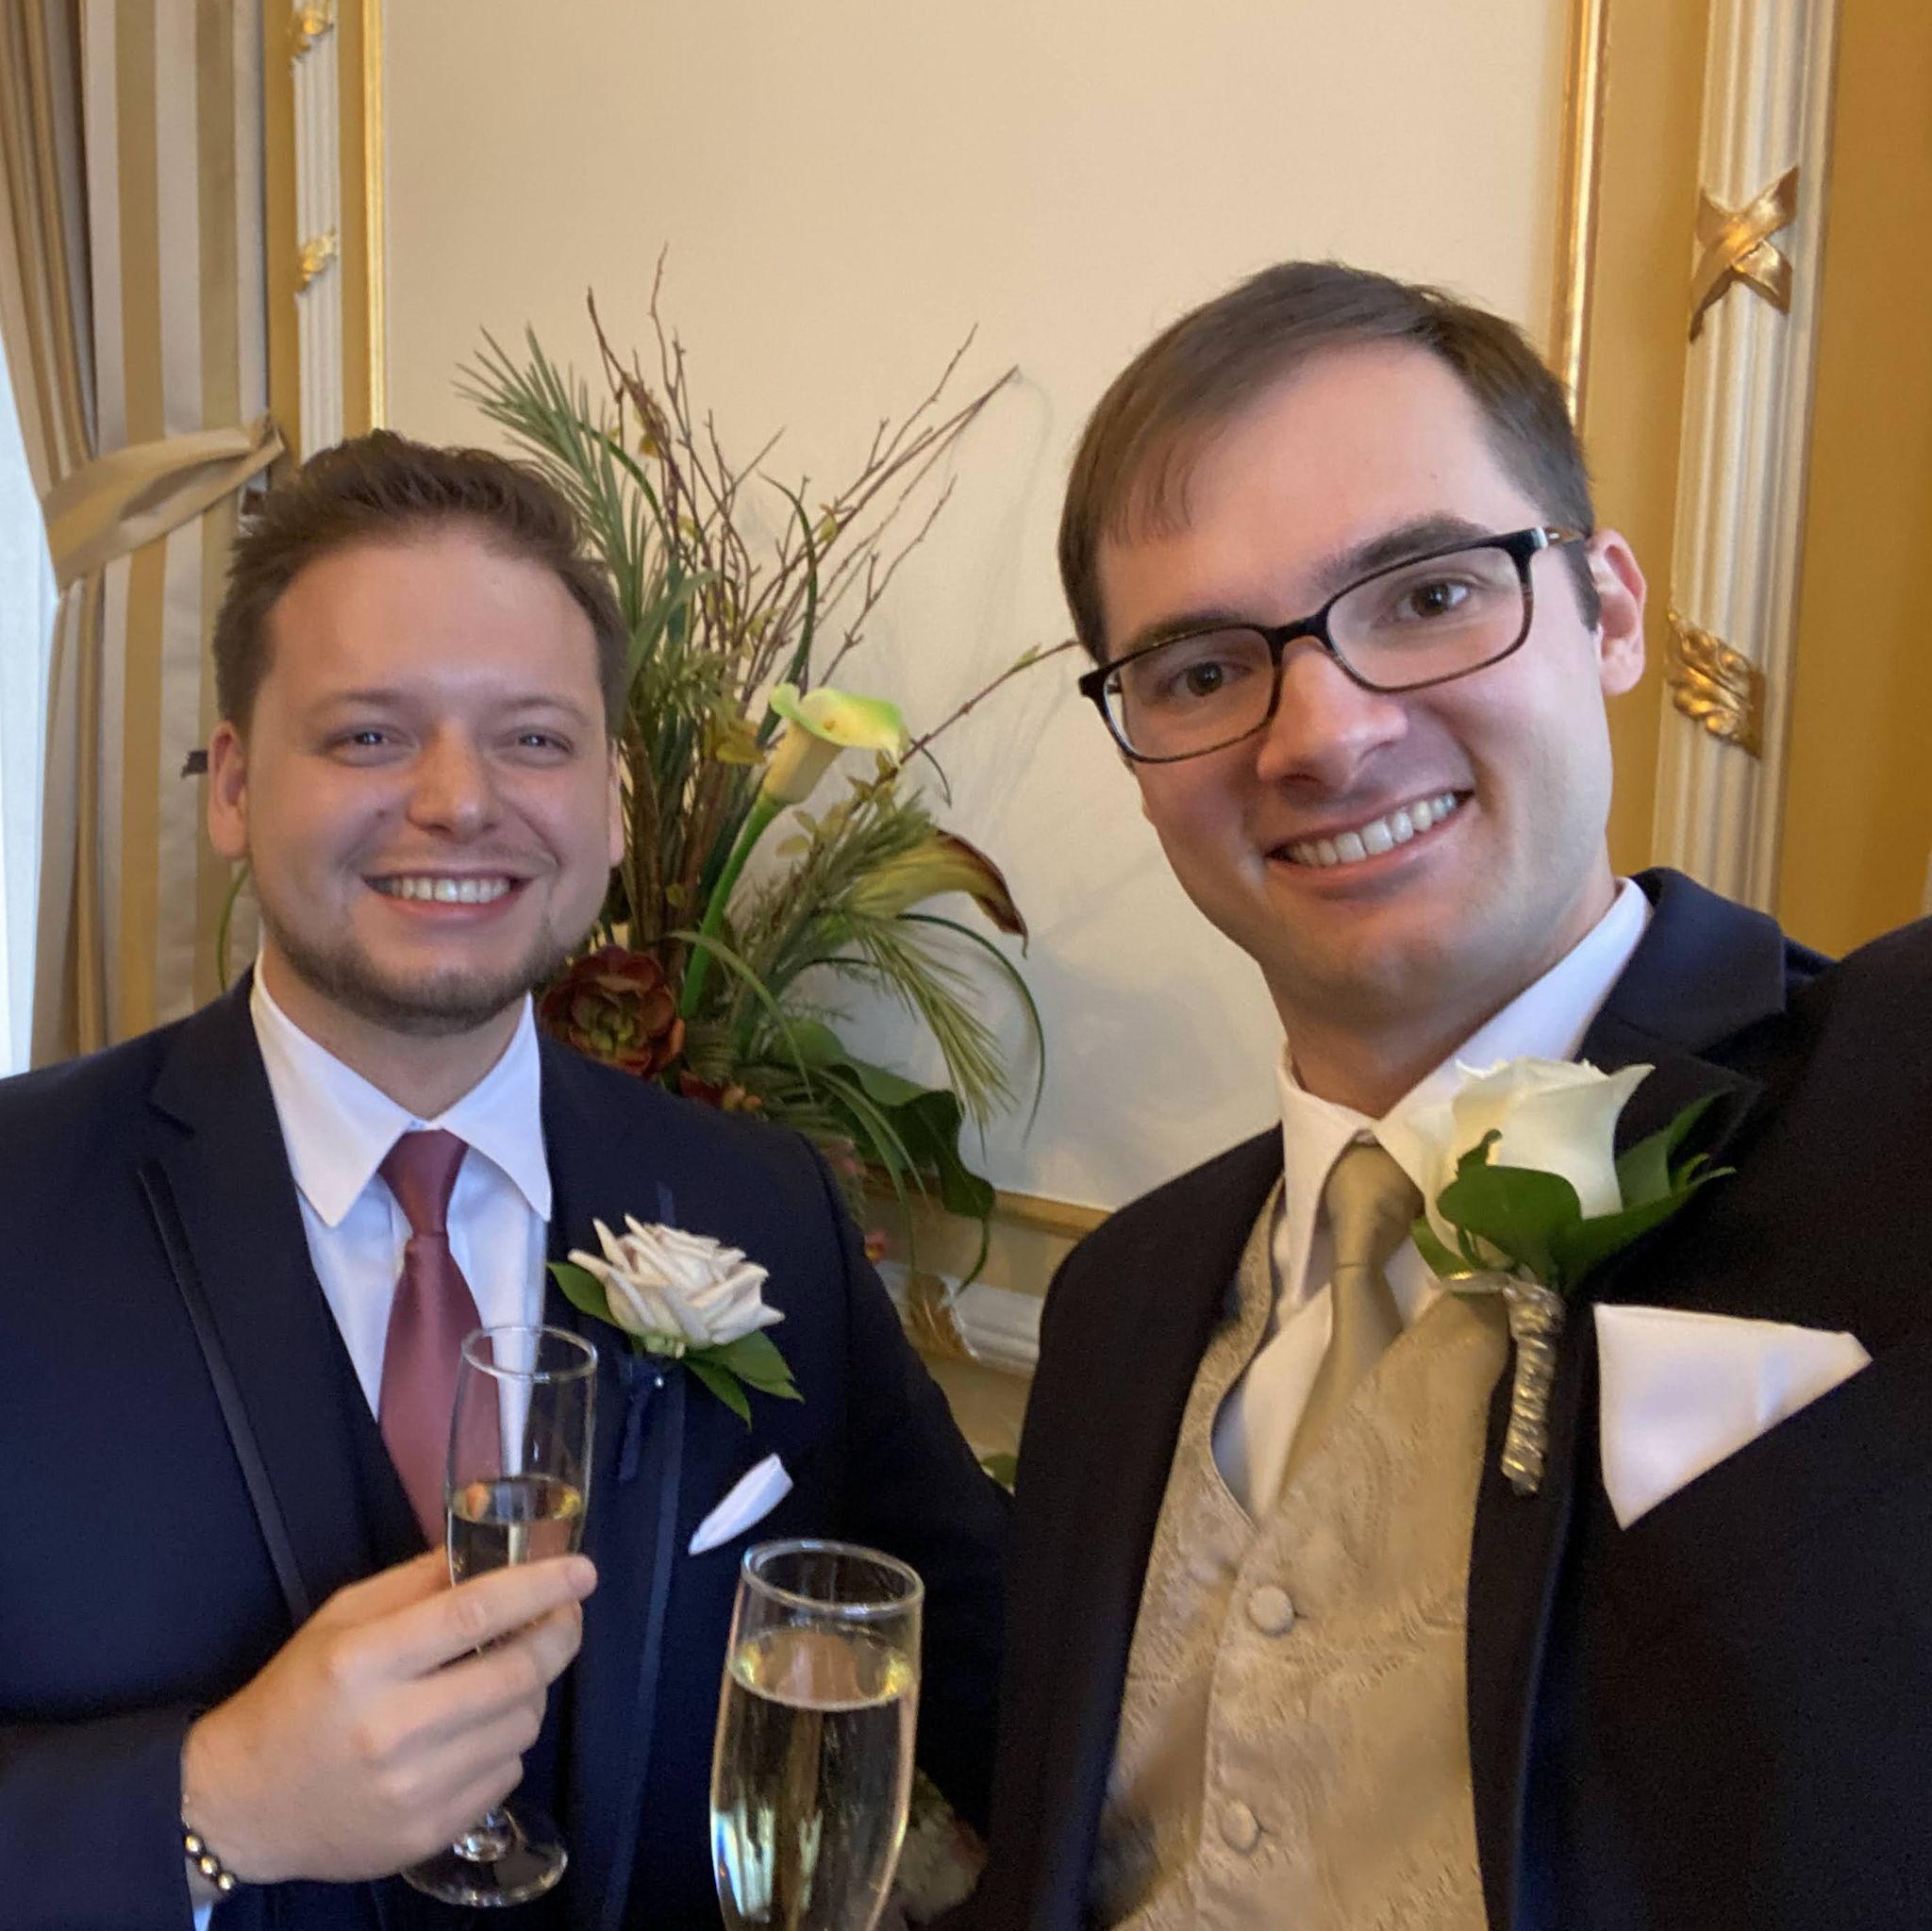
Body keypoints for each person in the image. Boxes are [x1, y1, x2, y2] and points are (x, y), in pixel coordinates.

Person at [957, 262, 1932, 1930]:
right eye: (1201, 671)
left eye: (1425, 595)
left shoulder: (1891, 1099)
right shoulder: (1119, 1303)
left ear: (1609, 613)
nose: (1322, 737)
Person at [0, 432, 1006, 1930]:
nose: (459, 801)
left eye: (532, 740)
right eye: (367, 736)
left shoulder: (764, 1205)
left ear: (612, 800)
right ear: (233, 785)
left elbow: (1017, 1690)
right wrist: (207, 1807)